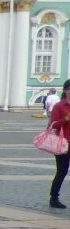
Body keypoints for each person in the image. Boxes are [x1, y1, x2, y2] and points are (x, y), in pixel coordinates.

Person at [46, 79, 70, 210]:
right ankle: (54, 198)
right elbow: (53, 125)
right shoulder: (59, 106)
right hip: (63, 143)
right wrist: (65, 119)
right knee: (62, 171)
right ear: (66, 90)